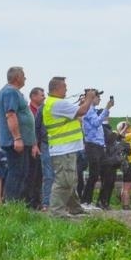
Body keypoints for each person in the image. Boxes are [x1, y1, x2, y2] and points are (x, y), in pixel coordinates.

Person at [40, 77, 98, 216]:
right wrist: (89, 99)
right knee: (64, 181)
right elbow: (82, 112)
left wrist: (83, 103)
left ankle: (75, 208)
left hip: (65, 148)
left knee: (70, 180)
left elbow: (76, 113)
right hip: (63, 149)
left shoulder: (53, 103)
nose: (66, 89)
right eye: (64, 87)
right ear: (57, 88)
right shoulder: (58, 104)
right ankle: (56, 212)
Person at [0, 66, 36, 204]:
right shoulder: (10, 92)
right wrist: (17, 138)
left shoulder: (15, 92)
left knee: (22, 173)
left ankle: (17, 204)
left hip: (23, 141)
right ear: (17, 77)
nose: (25, 78)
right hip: (15, 141)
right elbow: (11, 114)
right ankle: (11, 204)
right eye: (23, 75)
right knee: (16, 173)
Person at [79, 89, 112, 208]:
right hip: (92, 145)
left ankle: (96, 201)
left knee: (105, 171)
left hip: (98, 146)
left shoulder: (92, 110)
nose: (99, 99)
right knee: (94, 174)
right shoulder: (88, 110)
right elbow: (96, 123)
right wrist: (107, 108)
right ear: (91, 98)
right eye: (97, 97)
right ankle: (85, 201)